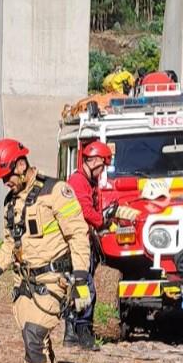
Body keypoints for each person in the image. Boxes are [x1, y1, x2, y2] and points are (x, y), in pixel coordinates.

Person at [0, 138, 91, 363]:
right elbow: (10, 243)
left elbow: (78, 235)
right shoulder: (11, 202)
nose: (5, 182)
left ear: (21, 165)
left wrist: (81, 278)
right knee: (38, 343)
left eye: (7, 176)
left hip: (54, 281)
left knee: (34, 337)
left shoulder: (56, 192)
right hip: (25, 284)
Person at [65, 140, 136, 350]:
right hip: (79, 241)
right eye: (103, 165)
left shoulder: (89, 181)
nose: (103, 170)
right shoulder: (78, 182)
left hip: (84, 239)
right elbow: (86, 211)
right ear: (95, 160)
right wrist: (102, 221)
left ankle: (71, 333)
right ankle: (83, 331)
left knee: (79, 285)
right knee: (85, 286)